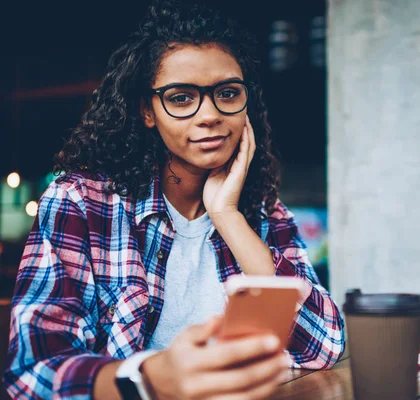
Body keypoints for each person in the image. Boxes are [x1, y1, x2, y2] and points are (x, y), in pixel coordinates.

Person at [2, 2, 345, 399]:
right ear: (148, 111)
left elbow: (324, 347)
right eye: (181, 98)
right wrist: (152, 378)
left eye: (228, 93)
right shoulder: (83, 203)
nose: (210, 115)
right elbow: (31, 375)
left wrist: (229, 217)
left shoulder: (263, 211)